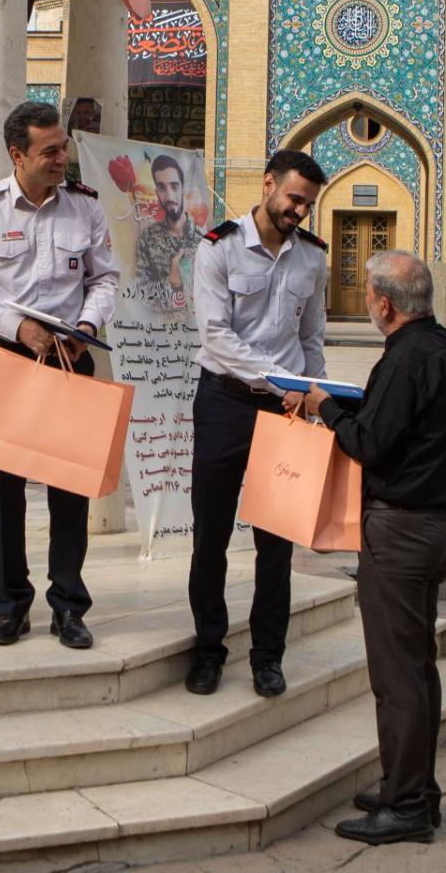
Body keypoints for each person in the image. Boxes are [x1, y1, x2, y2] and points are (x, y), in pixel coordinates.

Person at [303, 252, 446, 846]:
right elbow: (405, 422)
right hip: (432, 527)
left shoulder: (402, 359)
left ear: (383, 303)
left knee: (398, 677)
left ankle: (406, 807)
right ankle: (415, 787)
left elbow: (371, 443)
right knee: (417, 668)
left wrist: (325, 409)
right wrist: (351, 405)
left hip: (398, 531)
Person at [0, 100, 120, 650]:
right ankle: (11, 607)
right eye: (50, 151)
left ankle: (68, 606)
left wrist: (87, 324)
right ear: (17, 155)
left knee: (71, 487)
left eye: (63, 147)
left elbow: (105, 279)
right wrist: (18, 328)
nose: (62, 159)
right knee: (4, 491)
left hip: (71, 358)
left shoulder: (85, 207)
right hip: (10, 359)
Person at [185, 149, 328, 699]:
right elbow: (216, 335)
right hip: (224, 403)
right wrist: (280, 381)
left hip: (286, 412)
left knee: (277, 543)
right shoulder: (218, 247)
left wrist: (313, 396)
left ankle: (268, 656)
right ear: (268, 184)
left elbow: (312, 337)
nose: (299, 211)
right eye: (293, 199)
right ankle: (208, 650)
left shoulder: (312, 257)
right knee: (211, 536)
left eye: (307, 204)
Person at [134, 154, 202, 312]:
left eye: (175, 187)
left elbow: (214, 293)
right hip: (158, 326)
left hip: (197, 326)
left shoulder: (204, 241)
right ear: (157, 192)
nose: (170, 196)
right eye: (162, 188)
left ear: (183, 189)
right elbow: (140, 294)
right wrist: (172, 283)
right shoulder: (148, 238)